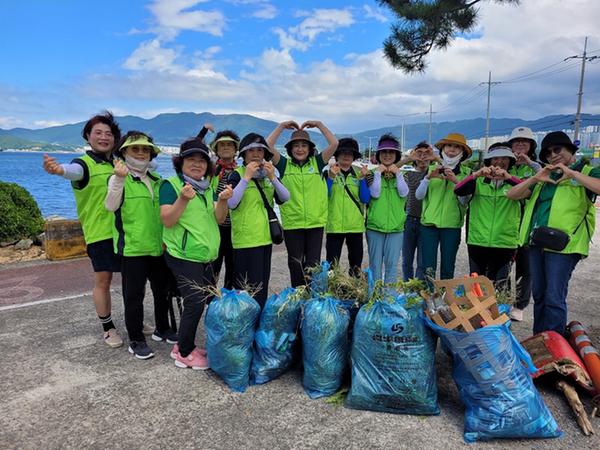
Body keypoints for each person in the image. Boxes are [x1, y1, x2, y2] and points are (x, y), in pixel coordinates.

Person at [42, 112, 127, 348]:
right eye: (97, 133)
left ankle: (134, 318)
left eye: (108, 133)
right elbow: (72, 171)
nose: (103, 137)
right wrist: (58, 170)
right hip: (100, 233)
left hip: (127, 232)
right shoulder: (84, 164)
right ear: (88, 137)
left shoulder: (119, 162)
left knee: (133, 277)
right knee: (104, 280)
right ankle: (108, 328)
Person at [507, 131, 600, 335]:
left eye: (557, 149)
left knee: (554, 297)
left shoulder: (587, 171)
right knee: (539, 296)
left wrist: (573, 174)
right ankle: (540, 340)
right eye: (547, 153)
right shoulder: (546, 177)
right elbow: (512, 194)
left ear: (570, 150)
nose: (552, 155)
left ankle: (556, 345)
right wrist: (535, 178)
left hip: (565, 245)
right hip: (537, 242)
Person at [160, 138, 232, 369]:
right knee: (194, 303)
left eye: (202, 160)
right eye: (191, 159)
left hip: (206, 256)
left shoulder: (207, 187)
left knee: (205, 300)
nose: (197, 164)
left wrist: (222, 201)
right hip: (183, 255)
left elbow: (219, 218)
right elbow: (167, 220)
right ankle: (183, 352)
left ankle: (183, 343)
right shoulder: (170, 185)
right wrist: (182, 198)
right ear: (180, 162)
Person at [105, 131, 174, 359]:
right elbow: (110, 206)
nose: (141, 153)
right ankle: (136, 339)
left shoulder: (158, 180)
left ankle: (162, 328)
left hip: (158, 247)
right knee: (133, 296)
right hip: (133, 248)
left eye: (145, 149)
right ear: (124, 152)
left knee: (161, 291)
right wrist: (119, 179)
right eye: (135, 149)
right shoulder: (118, 178)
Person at [267, 120, 338, 287]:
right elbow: (268, 145)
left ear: (310, 148)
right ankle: (297, 297)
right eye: (296, 146)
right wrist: (281, 127)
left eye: (304, 145)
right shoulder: (284, 165)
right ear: (290, 149)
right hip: (293, 223)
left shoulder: (318, 163)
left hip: (315, 223)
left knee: (313, 265)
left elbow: (334, 143)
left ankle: (311, 299)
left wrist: (319, 125)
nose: (300, 149)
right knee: (295, 264)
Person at [227, 133, 291, 306]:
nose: (256, 154)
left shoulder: (267, 177)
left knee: (261, 287)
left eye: (260, 150)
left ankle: (257, 324)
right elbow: (231, 203)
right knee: (245, 290)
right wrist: (246, 178)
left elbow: (285, 197)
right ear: (244, 155)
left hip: (265, 240)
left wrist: (273, 178)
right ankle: (242, 325)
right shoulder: (236, 175)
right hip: (245, 241)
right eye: (251, 151)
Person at [454, 145, 523, 289]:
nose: (500, 162)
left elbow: (530, 189)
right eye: (495, 158)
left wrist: (508, 178)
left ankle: (500, 311)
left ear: (510, 161)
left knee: (500, 285)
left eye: (504, 158)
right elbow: (458, 190)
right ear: (488, 161)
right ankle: (477, 311)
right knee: (476, 285)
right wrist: (476, 175)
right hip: (477, 240)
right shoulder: (478, 181)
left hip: (505, 241)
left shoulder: (515, 182)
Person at [416, 132, 472, 280]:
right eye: (448, 146)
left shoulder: (467, 174)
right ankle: (428, 300)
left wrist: (456, 181)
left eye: (457, 147)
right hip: (429, 224)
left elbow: (465, 201)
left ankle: (446, 299)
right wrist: (428, 178)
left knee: (448, 266)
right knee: (428, 268)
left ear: (463, 152)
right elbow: (419, 195)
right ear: (442, 149)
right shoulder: (431, 169)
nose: (451, 150)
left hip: (451, 225)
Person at [196, 123, 239, 290]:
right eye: (222, 144)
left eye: (230, 144)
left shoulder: (242, 171)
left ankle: (226, 304)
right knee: (211, 268)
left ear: (236, 149)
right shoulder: (210, 169)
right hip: (213, 227)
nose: (226, 147)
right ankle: (209, 303)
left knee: (233, 269)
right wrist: (204, 131)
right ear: (216, 149)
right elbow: (194, 148)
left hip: (234, 229)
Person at [507, 127, 541, 321]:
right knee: (504, 264)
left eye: (524, 141)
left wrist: (531, 163)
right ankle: (502, 300)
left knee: (525, 266)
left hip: (527, 223)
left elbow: (546, 176)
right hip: (506, 221)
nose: (520, 144)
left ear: (531, 145)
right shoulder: (506, 165)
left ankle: (519, 305)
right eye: (516, 141)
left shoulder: (536, 167)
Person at [365, 134, 409, 283]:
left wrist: (398, 174)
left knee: (391, 265)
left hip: (396, 228)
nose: (388, 155)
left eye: (391, 152)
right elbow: (375, 193)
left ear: (396, 155)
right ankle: (374, 298)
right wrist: (378, 173)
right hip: (375, 227)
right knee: (375, 265)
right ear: (378, 155)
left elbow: (404, 193)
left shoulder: (404, 175)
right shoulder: (371, 175)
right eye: (384, 152)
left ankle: (389, 299)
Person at [325, 137, 370, 277]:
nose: (346, 156)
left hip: (355, 225)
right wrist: (331, 178)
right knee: (331, 265)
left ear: (354, 156)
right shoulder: (327, 172)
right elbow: (323, 196)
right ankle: (331, 292)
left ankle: (355, 291)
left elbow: (365, 198)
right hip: (334, 224)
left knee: (356, 265)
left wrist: (362, 179)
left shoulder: (359, 173)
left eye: (350, 153)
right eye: (343, 152)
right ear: (337, 155)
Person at [400, 142, 436, 281]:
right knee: (406, 260)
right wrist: (408, 158)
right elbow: (389, 168)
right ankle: (407, 288)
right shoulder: (407, 173)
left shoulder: (435, 173)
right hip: (409, 219)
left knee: (422, 261)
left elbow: (447, 166)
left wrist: (435, 159)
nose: (422, 157)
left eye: (426, 154)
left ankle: (419, 291)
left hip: (426, 221)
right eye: (419, 153)